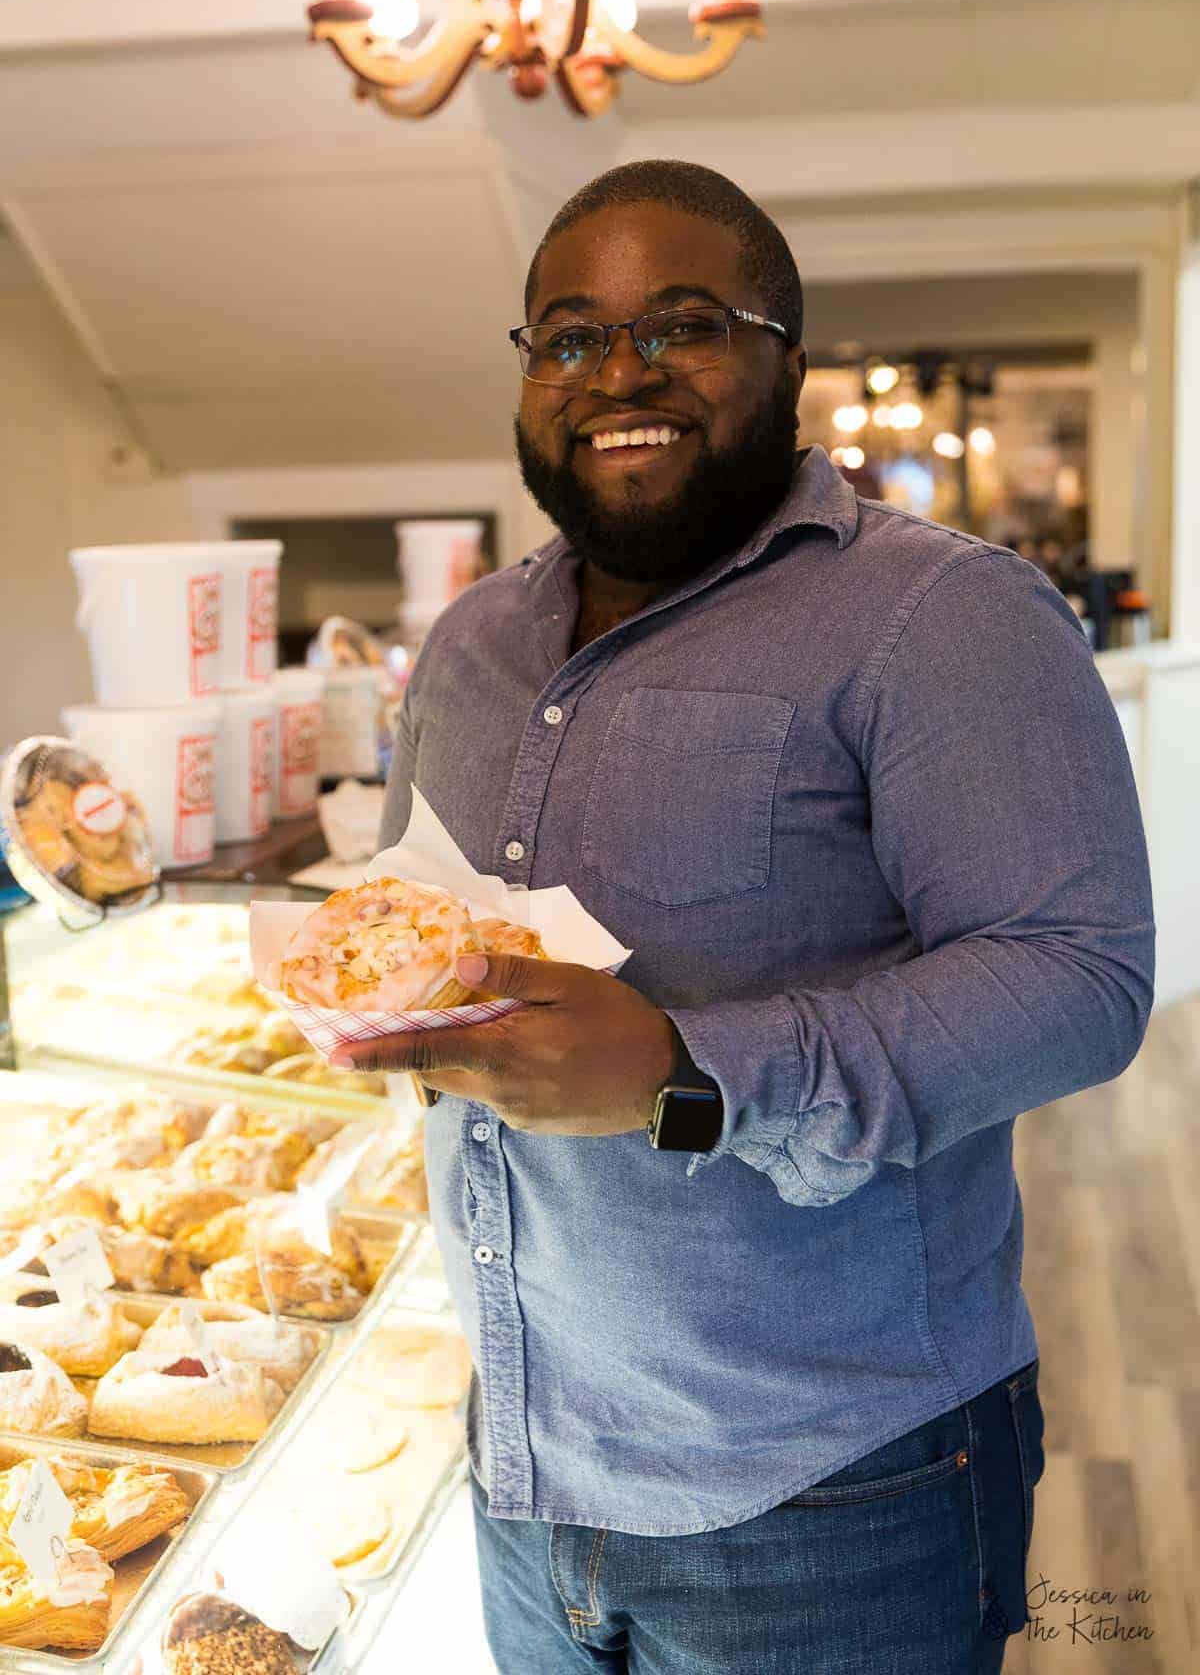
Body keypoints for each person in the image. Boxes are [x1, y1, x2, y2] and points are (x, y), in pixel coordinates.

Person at [332, 160, 1156, 1673]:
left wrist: (682, 1074)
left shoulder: (943, 613)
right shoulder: (471, 643)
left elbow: (1079, 977)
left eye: (685, 323)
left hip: (833, 1487)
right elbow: (415, 919)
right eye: (569, 336)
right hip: (523, 1449)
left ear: (792, 354)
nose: (620, 372)